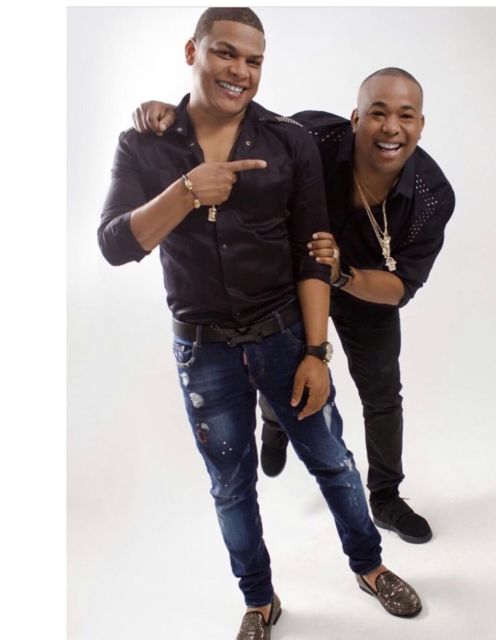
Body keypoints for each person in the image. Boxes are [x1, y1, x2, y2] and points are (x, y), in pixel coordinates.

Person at [99, 8, 423, 639]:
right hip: (203, 351)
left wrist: (316, 352)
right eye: (226, 53)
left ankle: (370, 566)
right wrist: (187, 190)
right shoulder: (144, 143)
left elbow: (312, 251)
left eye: (254, 61)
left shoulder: (288, 141)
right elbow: (114, 244)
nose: (240, 71)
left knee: (332, 461)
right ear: (192, 51)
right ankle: (259, 600)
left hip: (283, 335)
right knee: (230, 485)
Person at [133, 66, 456, 547]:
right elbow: (241, 133)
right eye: (378, 113)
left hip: (364, 288)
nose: (391, 128)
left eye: (406, 116)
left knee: (383, 393)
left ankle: (386, 497)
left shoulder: (432, 195)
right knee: (282, 366)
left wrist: (342, 274)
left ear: (421, 125)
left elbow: (399, 288)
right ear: (355, 118)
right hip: (293, 279)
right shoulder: (312, 136)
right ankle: (275, 423)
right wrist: (173, 115)